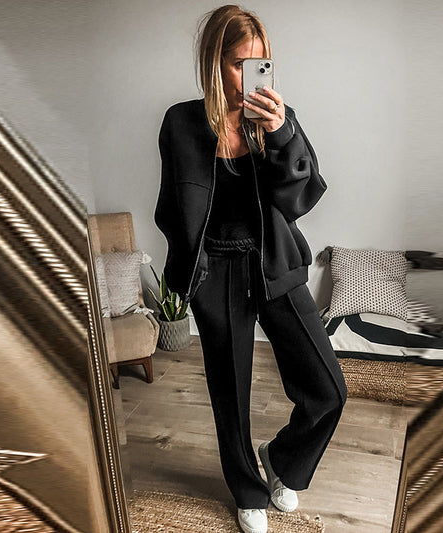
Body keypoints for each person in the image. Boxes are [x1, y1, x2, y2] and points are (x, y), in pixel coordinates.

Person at [153, 5, 348, 533]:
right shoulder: (180, 122)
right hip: (214, 271)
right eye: (239, 64)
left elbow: (300, 198)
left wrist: (280, 134)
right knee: (230, 394)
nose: (250, 77)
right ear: (213, 63)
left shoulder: (277, 119)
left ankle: (282, 460)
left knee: (328, 388)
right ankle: (247, 490)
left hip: (272, 263)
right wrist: (188, 272)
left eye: (259, 64)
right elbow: (172, 206)